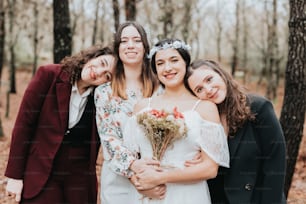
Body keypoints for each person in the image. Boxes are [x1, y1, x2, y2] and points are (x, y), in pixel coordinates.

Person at [123, 38, 230, 204]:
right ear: (155, 70)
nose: (168, 68)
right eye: (160, 63)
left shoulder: (205, 108)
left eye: (174, 60)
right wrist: (138, 183)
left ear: (186, 63)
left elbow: (210, 169)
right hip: (146, 195)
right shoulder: (142, 107)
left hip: (188, 195)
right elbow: (128, 159)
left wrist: (159, 177)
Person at [4, 45, 116, 204]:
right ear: (93, 56)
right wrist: (15, 176)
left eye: (107, 76)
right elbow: (24, 125)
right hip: (42, 172)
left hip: (79, 180)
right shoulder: (49, 75)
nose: (98, 72)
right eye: (102, 63)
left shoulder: (102, 98)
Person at [184, 59, 287, 204]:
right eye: (199, 89)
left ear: (221, 74)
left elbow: (275, 166)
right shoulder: (204, 122)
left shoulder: (258, 108)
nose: (208, 89)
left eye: (209, 79)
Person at [94, 21, 162, 204]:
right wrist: (134, 171)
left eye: (136, 40)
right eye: (124, 41)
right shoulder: (103, 92)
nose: (130, 45)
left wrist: (151, 179)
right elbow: (108, 138)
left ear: (145, 47)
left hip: (156, 175)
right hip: (119, 180)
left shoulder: (161, 88)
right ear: (117, 49)